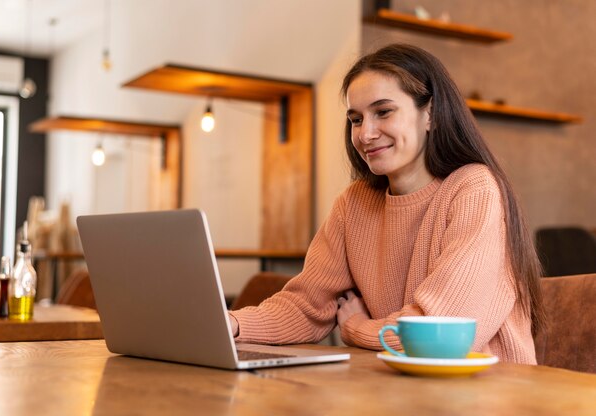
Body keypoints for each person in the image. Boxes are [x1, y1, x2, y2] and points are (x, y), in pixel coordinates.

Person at [229, 43, 545, 364]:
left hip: (491, 395)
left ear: (430, 115)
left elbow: (438, 336)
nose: (365, 134)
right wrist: (233, 323)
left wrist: (355, 327)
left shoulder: (474, 189)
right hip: (400, 391)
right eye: (355, 119)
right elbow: (307, 307)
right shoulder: (353, 203)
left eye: (383, 112)